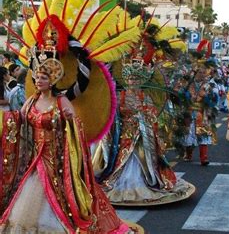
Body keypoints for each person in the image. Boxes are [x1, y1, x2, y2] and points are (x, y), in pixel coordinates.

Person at [0, 58, 131, 232]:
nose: (39, 81)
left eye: (43, 78)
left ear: (52, 81)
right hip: (35, 155)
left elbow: (75, 126)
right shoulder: (31, 101)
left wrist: (70, 119)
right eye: (37, 77)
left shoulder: (61, 101)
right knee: (29, 190)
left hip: (57, 157)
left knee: (60, 193)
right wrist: (5, 119)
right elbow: (19, 120)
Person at [93, 43, 195, 205]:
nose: (132, 81)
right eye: (130, 79)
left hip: (141, 134)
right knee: (120, 161)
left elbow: (152, 113)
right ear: (126, 80)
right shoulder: (121, 96)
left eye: (136, 79)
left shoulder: (144, 97)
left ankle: (144, 182)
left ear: (141, 80)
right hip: (124, 136)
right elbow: (113, 114)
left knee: (142, 158)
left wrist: (142, 114)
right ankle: (118, 184)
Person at [181, 60, 218, 165]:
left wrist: (205, 96)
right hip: (189, 111)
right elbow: (180, 96)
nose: (201, 74)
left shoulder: (208, 85)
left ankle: (204, 157)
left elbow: (214, 100)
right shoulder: (188, 84)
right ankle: (188, 154)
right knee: (188, 135)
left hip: (202, 113)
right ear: (195, 73)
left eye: (203, 72)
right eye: (199, 72)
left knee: (203, 134)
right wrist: (188, 96)